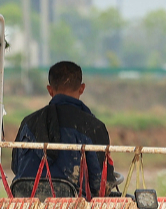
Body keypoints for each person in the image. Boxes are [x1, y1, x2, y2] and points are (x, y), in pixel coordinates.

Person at [10, 61, 119, 199]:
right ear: (82, 88)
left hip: (26, 204)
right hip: (73, 208)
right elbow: (101, 183)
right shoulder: (94, 127)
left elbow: (16, 167)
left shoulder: (28, 123)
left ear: (50, 90)